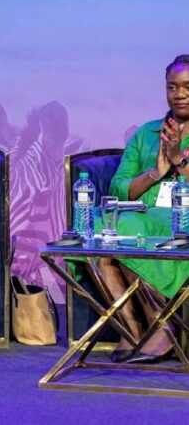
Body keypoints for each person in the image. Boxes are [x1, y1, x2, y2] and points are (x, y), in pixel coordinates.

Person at [102, 54, 189, 363]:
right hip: (144, 215)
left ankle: (162, 326)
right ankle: (132, 329)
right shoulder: (147, 134)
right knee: (102, 239)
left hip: (181, 220)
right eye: (172, 87)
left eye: (187, 87)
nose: (179, 94)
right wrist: (155, 172)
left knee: (125, 229)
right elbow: (118, 186)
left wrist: (178, 160)